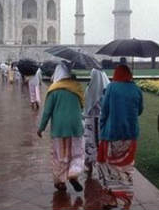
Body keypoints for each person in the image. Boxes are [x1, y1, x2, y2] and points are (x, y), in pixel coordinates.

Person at [97, 64, 143, 209]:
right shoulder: (136, 89)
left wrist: (102, 126)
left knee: (109, 167)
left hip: (112, 134)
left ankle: (112, 199)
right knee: (126, 167)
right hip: (130, 135)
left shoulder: (112, 87)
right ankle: (127, 198)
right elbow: (140, 110)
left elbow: (104, 110)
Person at [37, 63, 85, 192]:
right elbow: (82, 106)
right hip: (76, 127)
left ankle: (60, 182)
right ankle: (73, 173)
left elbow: (47, 112)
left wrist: (41, 128)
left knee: (60, 155)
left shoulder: (54, 90)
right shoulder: (77, 88)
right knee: (77, 153)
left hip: (59, 129)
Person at [83, 68, 109, 175]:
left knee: (90, 142)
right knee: (99, 142)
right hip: (102, 120)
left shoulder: (90, 89)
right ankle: (100, 165)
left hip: (91, 119)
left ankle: (89, 165)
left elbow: (86, 104)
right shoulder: (106, 89)